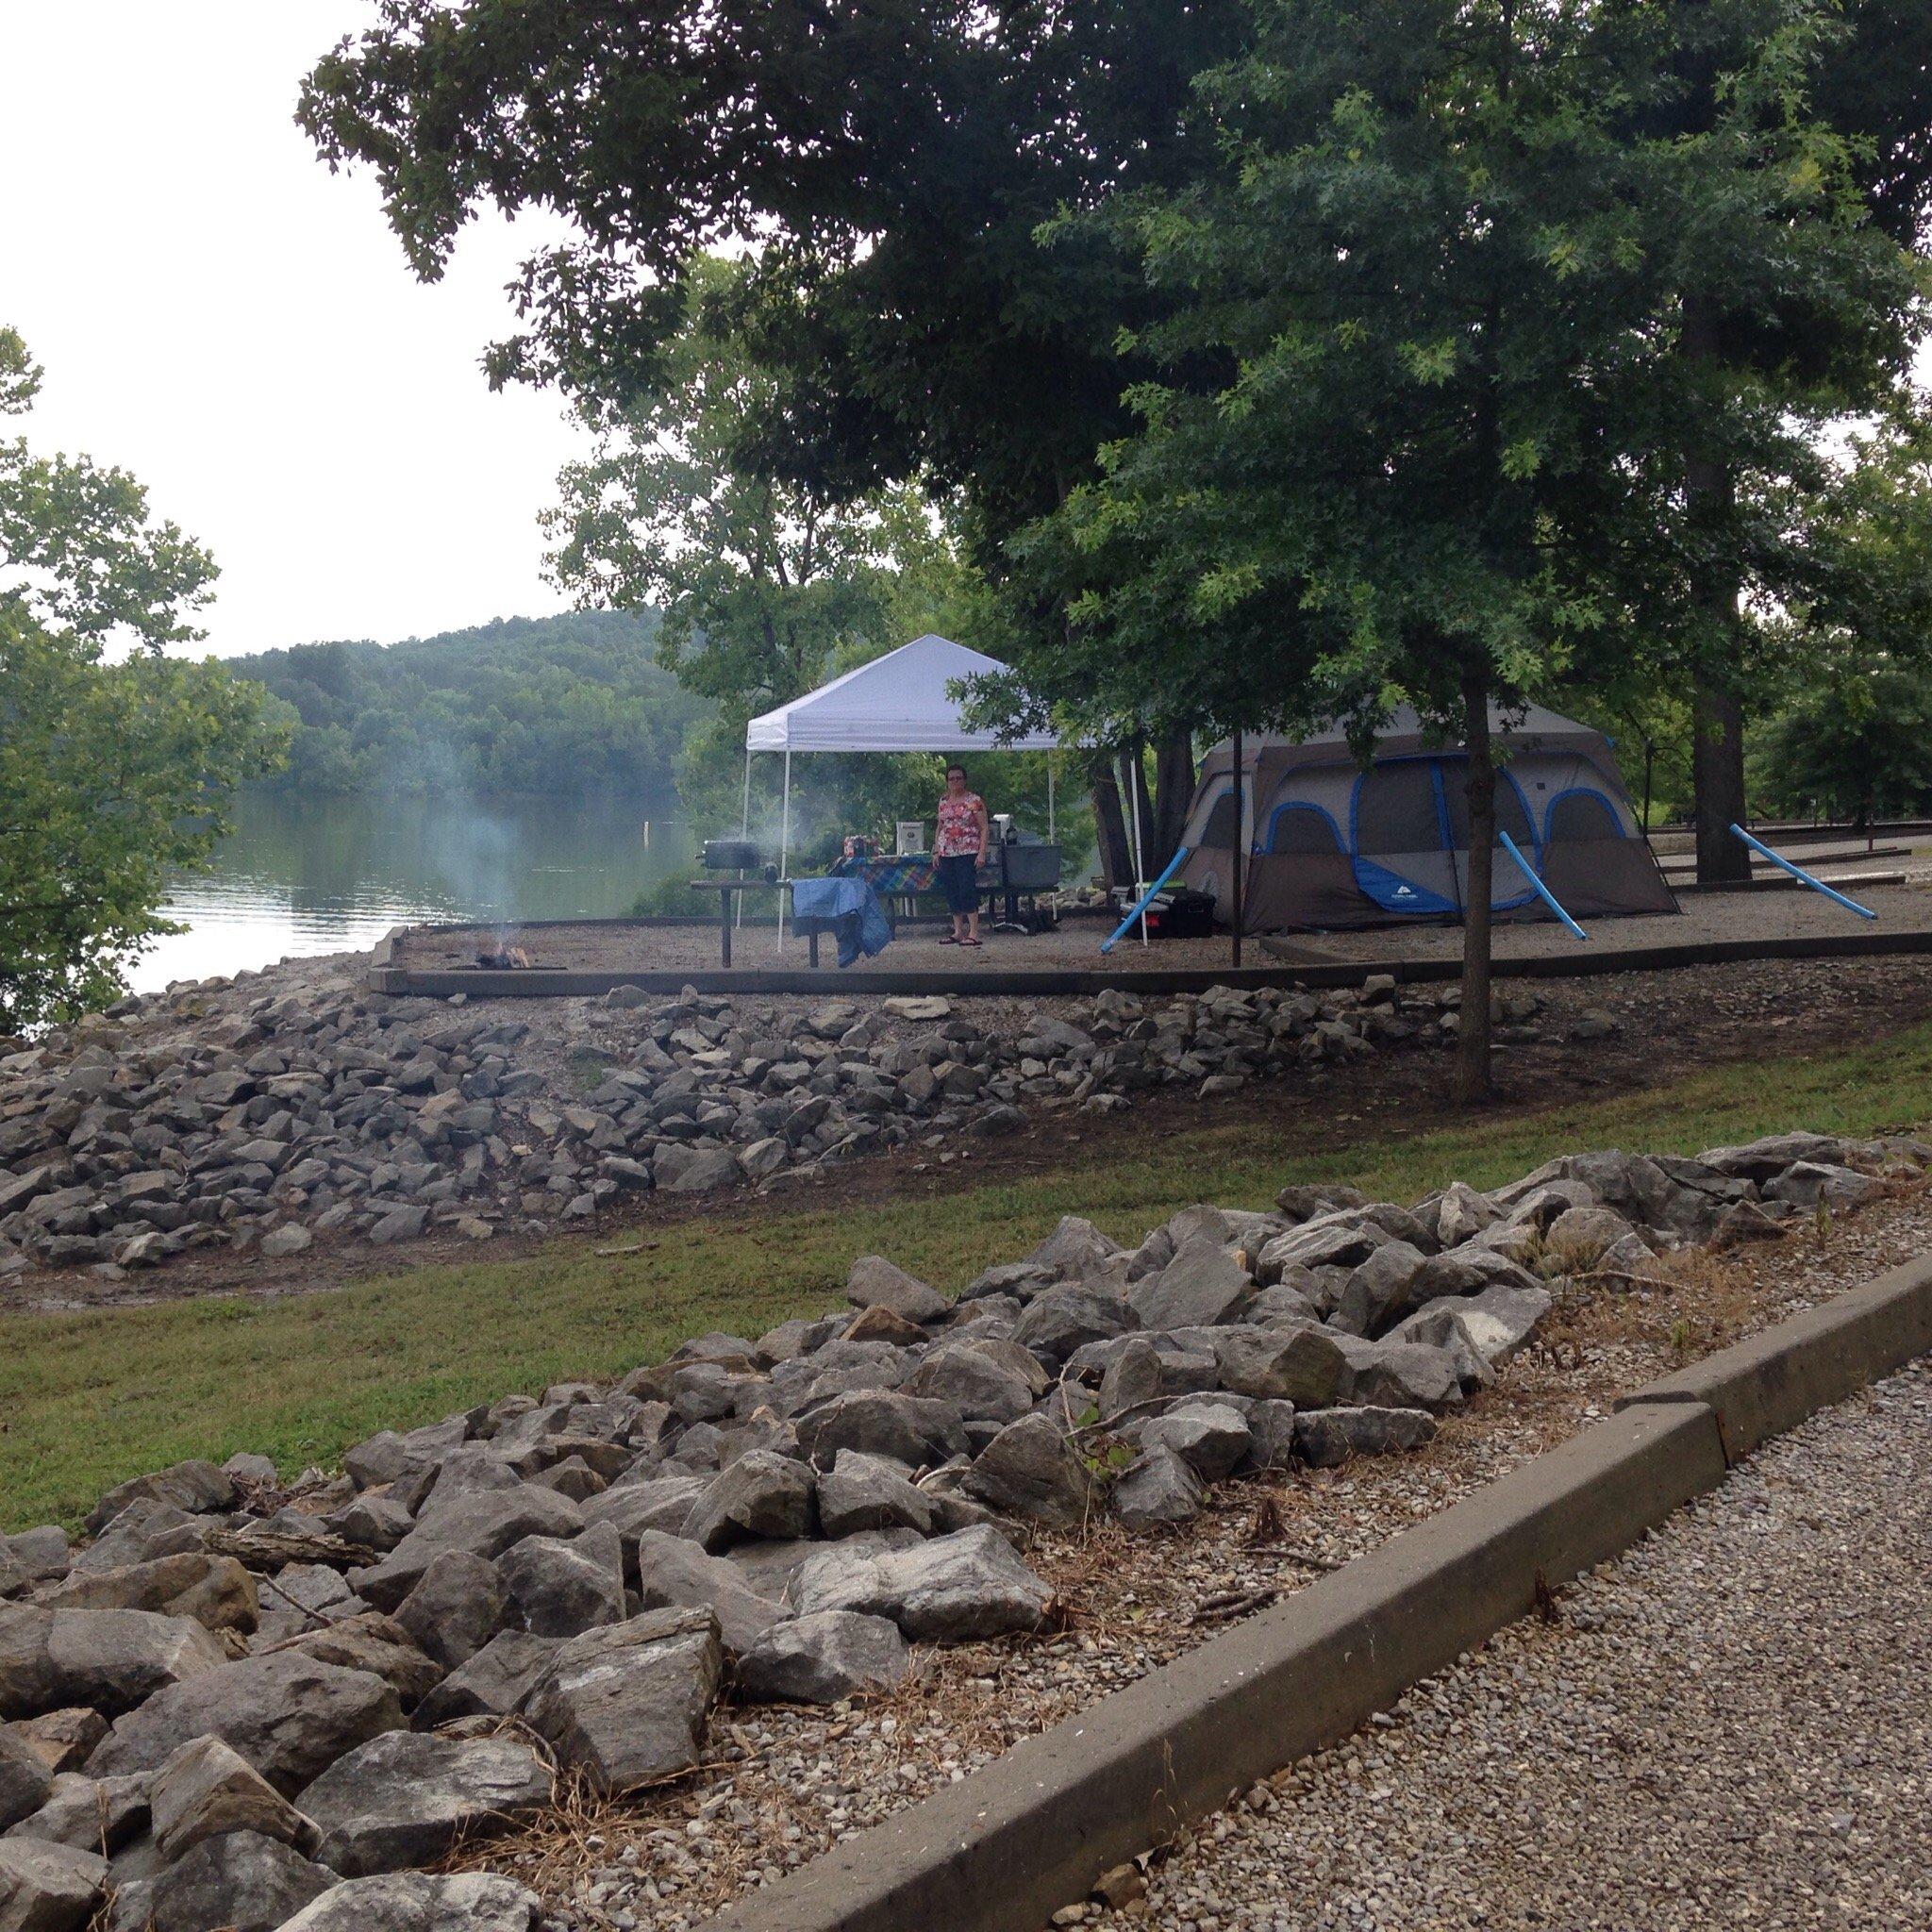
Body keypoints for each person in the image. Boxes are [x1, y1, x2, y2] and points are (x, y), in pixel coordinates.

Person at [934, 762, 991, 947]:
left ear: (964, 780)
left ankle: (973, 931)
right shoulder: (943, 801)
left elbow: (984, 827)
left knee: (967, 888)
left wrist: (982, 852)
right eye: (952, 779)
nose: (955, 781)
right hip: (946, 851)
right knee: (952, 889)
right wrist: (936, 849)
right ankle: (958, 931)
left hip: (968, 850)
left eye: (959, 778)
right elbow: (940, 826)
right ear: (947, 782)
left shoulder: (974, 801)